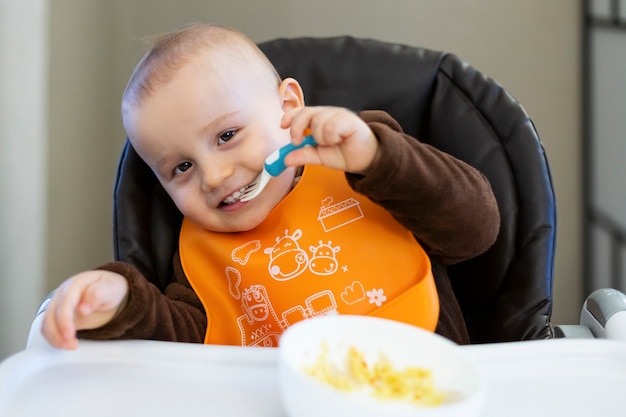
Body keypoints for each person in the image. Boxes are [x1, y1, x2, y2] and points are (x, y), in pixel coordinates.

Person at [41, 23, 500, 350]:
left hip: (415, 389)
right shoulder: (201, 259)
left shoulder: (373, 167)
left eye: (227, 136)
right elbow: (187, 342)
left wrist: (379, 158)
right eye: (181, 167)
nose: (215, 176)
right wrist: (119, 302)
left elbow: (476, 230)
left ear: (288, 106)